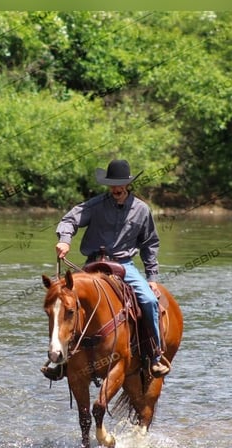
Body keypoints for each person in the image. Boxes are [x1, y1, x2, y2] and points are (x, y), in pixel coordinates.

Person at [42, 158, 171, 380]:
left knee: (149, 301)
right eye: (112, 184)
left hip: (124, 266)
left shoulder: (142, 210)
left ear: (128, 185)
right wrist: (65, 240)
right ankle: (60, 359)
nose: (116, 189)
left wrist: (151, 276)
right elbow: (69, 220)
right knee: (64, 303)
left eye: (120, 184)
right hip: (93, 265)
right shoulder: (94, 205)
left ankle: (154, 355)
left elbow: (150, 244)